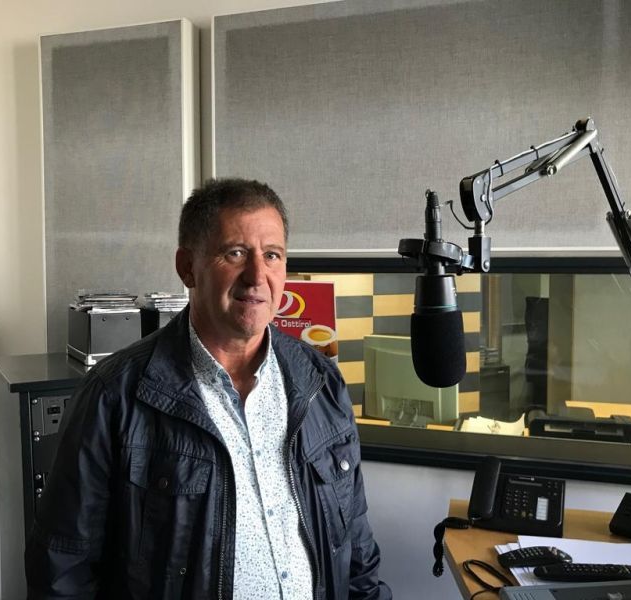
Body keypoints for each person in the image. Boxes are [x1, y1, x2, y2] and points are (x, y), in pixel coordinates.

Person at [25, 177, 393, 600]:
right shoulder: (114, 396)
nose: (257, 276)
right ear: (187, 267)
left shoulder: (320, 381)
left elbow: (356, 548)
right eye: (235, 253)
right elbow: (62, 570)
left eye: (272, 255)